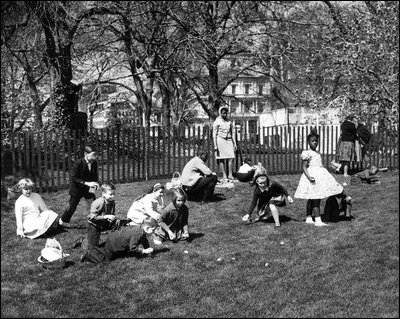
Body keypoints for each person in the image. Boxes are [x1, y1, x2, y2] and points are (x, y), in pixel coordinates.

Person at [294, 128, 344, 226]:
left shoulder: (318, 153)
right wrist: (309, 177)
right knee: (315, 197)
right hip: (312, 176)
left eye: (316, 141)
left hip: (320, 175)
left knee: (314, 197)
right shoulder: (307, 153)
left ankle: (309, 217)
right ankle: (317, 220)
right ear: (308, 142)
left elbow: (319, 164)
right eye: (312, 141)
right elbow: (304, 167)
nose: (315, 143)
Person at [80, 217, 158, 264]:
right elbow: (133, 248)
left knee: (104, 250)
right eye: (153, 230)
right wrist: (144, 251)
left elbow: (144, 241)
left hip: (114, 237)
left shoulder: (141, 230)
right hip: (114, 243)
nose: (154, 232)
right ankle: (88, 255)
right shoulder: (138, 234)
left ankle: (87, 244)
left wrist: (148, 249)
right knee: (106, 259)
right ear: (147, 228)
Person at [61, 145, 100, 228]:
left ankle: (96, 222)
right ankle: (62, 222)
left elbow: (94, 176)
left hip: (89, 189)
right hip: (77, 189)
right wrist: (86, 183)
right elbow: (74, 178)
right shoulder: (78, 163)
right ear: (86, 153)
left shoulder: (94, 163)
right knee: (72, 206)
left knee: (94, 205)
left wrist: (96, 183)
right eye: (93, 155)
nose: (95, 157)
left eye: (96, 155)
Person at [85, 182, 122, 250]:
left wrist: (114, 218)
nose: (113, 196)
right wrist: (106, 217)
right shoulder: (98, 203)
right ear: (103, 194)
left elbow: (112, 213)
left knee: (118, 224)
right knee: (92, 248)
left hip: (102, 222)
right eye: (110, 194)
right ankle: (83, 241)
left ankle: (115, 241)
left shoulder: (112, 202)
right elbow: (91, 217)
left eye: (114, 194)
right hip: (93, 225)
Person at [213, 106, 237, 183]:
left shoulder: (229, 121)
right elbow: (214, 134)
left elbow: (233, 132)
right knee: (221, 158)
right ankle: (224, 175)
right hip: (220, 140)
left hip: (229, 140)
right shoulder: (217, 121)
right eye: (223, 113)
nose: (225, 114)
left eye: (226, 113)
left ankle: (230, 174)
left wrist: (234, 143)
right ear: (220, 113)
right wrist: (215, 145)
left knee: (231, 157)